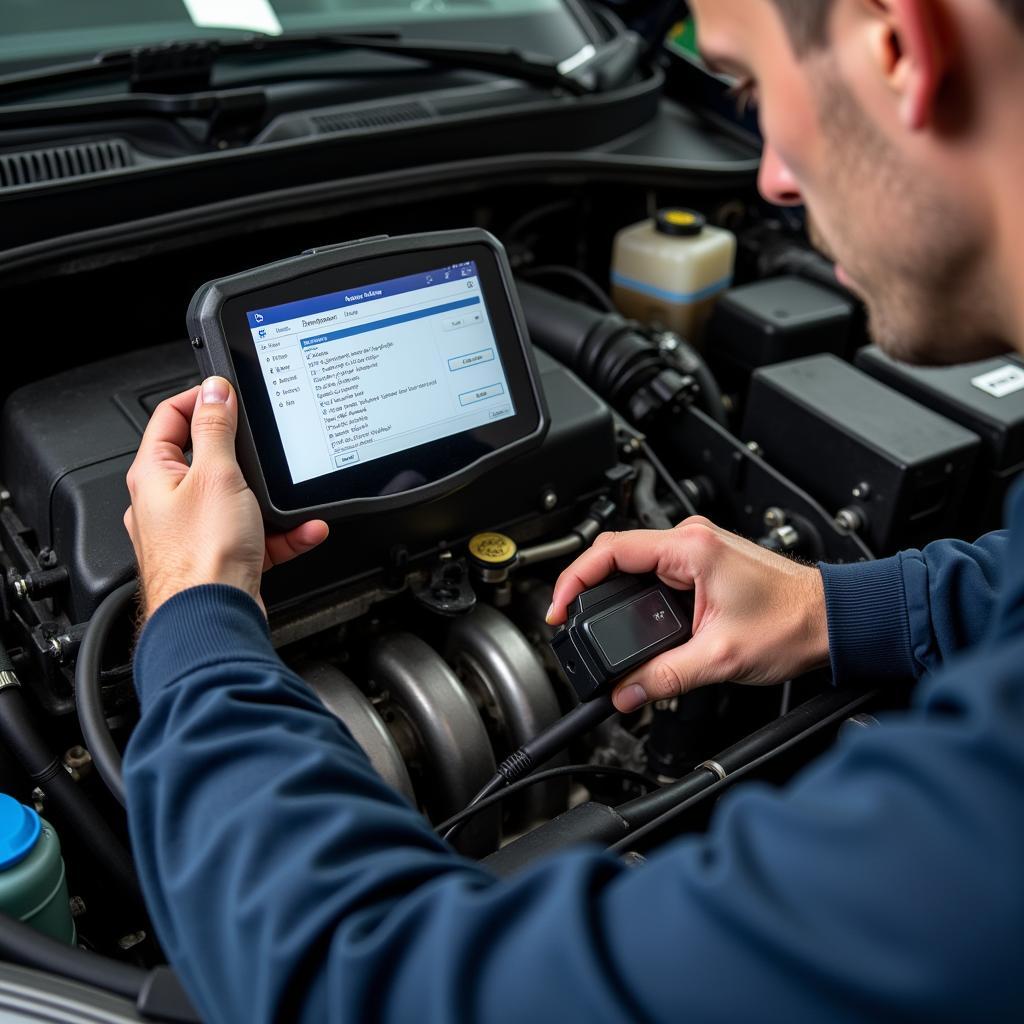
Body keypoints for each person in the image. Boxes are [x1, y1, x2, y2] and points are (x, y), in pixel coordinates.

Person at [122, 1, 1024, 1020]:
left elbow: (377, 986)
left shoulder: (983, 828)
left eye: (746, 86)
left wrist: (194, 615)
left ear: (897, 45)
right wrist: (844, 607)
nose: (767, 175)